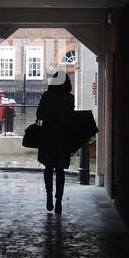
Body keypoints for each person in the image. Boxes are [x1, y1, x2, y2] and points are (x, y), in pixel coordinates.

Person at [35, 71, 74, 214]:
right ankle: (58, 201)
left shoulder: (47, 96)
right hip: (63, 137)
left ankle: (49, 197)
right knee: (60, 170)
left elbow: (39, 114)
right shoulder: (70, 99)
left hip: (48, 136)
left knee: (48, 168)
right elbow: (71, 118)